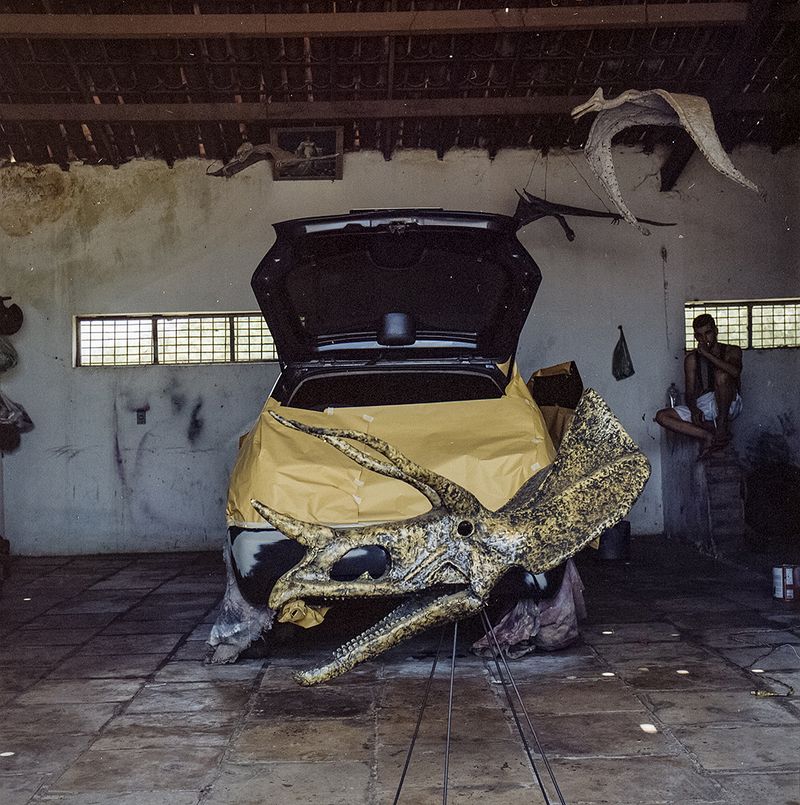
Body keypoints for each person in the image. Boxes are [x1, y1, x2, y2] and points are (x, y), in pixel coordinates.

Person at [655, 313, 742, 459]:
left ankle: (721, 427)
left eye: (708, 333)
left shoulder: (732, 350)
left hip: (730, 403)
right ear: (696, 337)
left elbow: (735, 372)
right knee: (662, 416)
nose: (704, 338)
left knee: (721, 376)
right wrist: (694, 410)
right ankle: (707, 435)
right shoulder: (692, 359)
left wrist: (708, 355)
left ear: (716, 331)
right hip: (705, 404)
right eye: (700, 335)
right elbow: (689, 393)